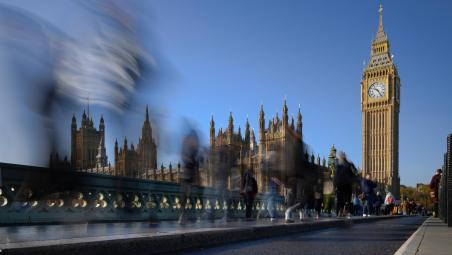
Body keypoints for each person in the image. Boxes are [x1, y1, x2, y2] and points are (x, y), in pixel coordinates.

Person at [178, 129, 199, 224]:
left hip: (189, 175)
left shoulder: (193, 149)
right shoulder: (189, 148)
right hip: (187, 175)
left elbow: (194, 162)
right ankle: (187, 215)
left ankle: (189, 215)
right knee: (185, 195)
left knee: (188, 195)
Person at [334, 152, 355, 218]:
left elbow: (335, 176)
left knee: (344, 200)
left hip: (344, 185)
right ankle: (342, 212)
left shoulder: (344, 165)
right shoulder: (341, 165)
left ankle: (343, 212)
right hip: (343, 185)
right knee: (343, 200)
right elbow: (336, 176)